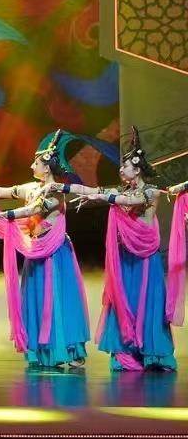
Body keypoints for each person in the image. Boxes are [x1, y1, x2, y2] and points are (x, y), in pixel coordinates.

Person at [0, 129, 90, 370]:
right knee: (35, 300)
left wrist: (5, 214)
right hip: (36, 252)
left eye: (36, 163)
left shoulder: (56, 192)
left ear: (47, 168)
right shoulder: (31, 187)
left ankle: (66, 350)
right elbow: (4, 191)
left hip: (55, 253)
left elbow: (34, 209)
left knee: (56, 301)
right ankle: (41, 351)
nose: (32, 166)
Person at [72, 128, 176, 371]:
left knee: (147, 301)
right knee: (123, 300)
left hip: (145, 257)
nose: (121, 169)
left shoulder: (150, 192)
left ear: (137, 169)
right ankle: (126, 352)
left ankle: (153, 354)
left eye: (125, 166)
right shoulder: (122, 191)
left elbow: (128, 201)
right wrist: (63, 188)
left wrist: (101, 197)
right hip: (125, 256)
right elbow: (95, 190)